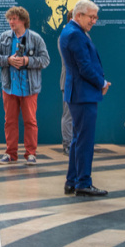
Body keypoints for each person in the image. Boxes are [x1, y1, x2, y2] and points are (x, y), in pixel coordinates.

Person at [60, 0, 111, 197]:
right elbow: (85, 67)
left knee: (78, 139)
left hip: (79, 93)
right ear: (79, 15)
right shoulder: (75, 34)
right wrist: (102, 83)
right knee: (85, 141)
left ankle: (72, 181)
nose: (94, 21)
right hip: (83, 94)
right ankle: (83, 183)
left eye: (96, 17)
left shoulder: (71, 31)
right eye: (91, 17)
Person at [0, 6, 50, 165]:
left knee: (30, 121)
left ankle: (31, 154)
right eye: (9, 19)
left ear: (23, 20)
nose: (11, 22)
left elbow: (45, 60)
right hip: (9, 87)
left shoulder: (36, 38)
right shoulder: (4, 37)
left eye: (14, 19)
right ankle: (10, 153)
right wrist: (8, 60)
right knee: (9, 121)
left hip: (29, 88)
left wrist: (27, 61)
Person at [58, 10, 74, 155]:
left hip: (82, 83)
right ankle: (67, 144)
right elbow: (69, 60)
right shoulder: (64, 36)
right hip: (69, 81)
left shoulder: (85, 36)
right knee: (68, 115)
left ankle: (76, 143)